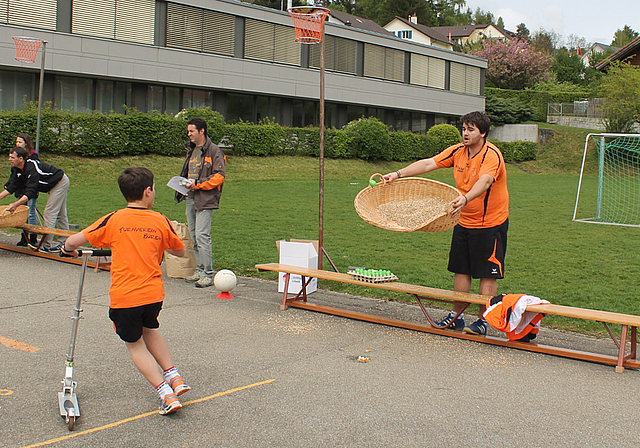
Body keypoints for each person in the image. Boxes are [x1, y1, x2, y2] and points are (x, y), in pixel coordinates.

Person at [61, 167, 190, 415]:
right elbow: (180, 251)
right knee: (150, 328)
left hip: (126, 296)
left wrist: (67, 249)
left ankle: (165, 392)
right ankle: (174, 376)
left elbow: (74, 242)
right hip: (153, 294)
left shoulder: (114, 219)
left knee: (134, 344)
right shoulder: (160, 220)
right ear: (147, 192)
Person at [383, 111, 509, 336]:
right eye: (463, 129)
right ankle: (457, 317)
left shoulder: (492, 155)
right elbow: (428, 163)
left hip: (490, 223)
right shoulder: (458, 152)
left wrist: (466, 197)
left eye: (470, 129)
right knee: (461, 270)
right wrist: (397, 174)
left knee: (486, 274)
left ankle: (483, 321)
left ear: (483, 132)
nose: (465, 133)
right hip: (462, 219)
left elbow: (485, 181)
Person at [175, 117, 226, 288]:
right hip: (190, 197)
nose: (188, 134)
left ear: (201, 131)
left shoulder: (214, 151)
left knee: (202, 236)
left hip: (205, 199)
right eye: (188, 131)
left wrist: (198, 185)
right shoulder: (191, 150)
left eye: (191, 131)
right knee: (193, 235)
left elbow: (219, 177)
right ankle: (199, 268)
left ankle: (208, 273)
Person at [0, 146, 70, 252]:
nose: (10, 159)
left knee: (49, 212)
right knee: (61, 214)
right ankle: (66, 244)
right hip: (51, 185)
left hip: (59, 182)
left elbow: (31, 192)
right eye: (10, 157)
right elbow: (12, 187)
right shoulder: (16, 168)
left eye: (12, 157)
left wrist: (16, 204)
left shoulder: (31, 167)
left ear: (20, 159)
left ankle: (45, 246)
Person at [15, 133, 38, 247]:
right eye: (17, 142)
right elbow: (15, 173)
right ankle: (24, 237)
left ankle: (33, 238)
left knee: (30, 213)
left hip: (30, 189)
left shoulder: (32, 157)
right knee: (22, 213)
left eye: (20, 142)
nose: (18, 144)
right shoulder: (16, 155)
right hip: (21, 189)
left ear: (26, 143)